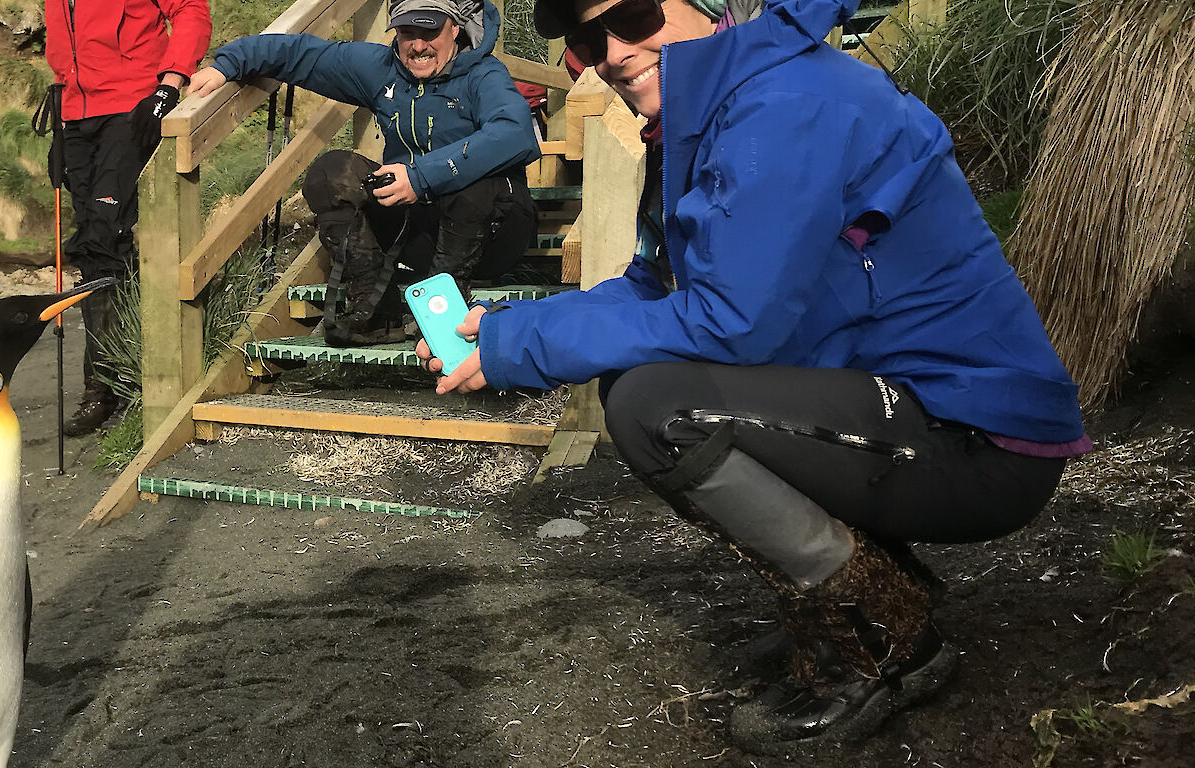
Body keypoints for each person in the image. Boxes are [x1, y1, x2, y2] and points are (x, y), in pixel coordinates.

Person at [419, 0, 1091, 750]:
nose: (610, 50)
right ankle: (880, 590)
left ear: (709, 9)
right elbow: (656, 284)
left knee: (657, 405)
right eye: (584, 38)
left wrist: (527, 349)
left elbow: (729, 323)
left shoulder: (784, 105)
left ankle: (877, 637)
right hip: (899, 409)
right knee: (642, 385)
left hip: (974, 438)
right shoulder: (711, 115)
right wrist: (507, 326)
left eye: (635, 15)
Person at [188, 0, 541, 347]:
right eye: (407, 32)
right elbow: (300, 53)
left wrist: (420, 177)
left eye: (429, 31)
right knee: (333, 172)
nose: (418, 46)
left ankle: (444, 312)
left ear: (455, 27)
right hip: (419, 232)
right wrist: (228, 64)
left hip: (494, 239)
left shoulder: (484, 74)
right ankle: (375, 311)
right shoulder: (382, 68)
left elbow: (515, 135)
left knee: (476, 176)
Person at [44, 0, 212, 436]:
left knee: (103, 236)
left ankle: (102, 387)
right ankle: (128, 367)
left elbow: (192, 9)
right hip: (75, 113)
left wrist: (169, 85)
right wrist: (63, 116)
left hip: (131, 107)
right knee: (95, 246)